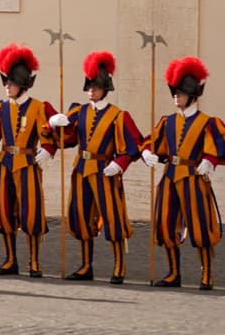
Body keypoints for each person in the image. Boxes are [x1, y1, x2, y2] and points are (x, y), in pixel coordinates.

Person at [139, 56, 225, 289]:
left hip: (193, 177)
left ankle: (207, 274)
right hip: (170, 176)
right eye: (174, 91)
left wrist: (210, 160)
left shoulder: (208, 122)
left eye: (180, 92)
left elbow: (222, 145)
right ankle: (173, 273)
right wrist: (147, 154)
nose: (176, 96)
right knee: (166, 224)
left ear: (192, 95)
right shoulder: (166, 121)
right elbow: (152, 144)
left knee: (201, 227)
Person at [50, 50, 143, 284]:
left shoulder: (118, 116)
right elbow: (67, 140)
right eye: (89, 86)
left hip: (105, 169)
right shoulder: (79, 111)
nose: (91, 90)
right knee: (80, 217)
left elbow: (133, 146)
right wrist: (55, 125)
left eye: (95, 86)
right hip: (81, 168)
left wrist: (119, 165)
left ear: (105, 88)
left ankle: (119, 266)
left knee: (113, 218)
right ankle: (85, 265)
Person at [0, 44, 58, 278]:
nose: (6, 86)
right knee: (2, 211)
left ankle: (34, 261)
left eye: (10, 82)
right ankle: (10, 259)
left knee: (31, 213)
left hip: (28, 164)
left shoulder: (38, 107)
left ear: (21, 84)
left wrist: (49, 149)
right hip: (5, 163)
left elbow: (51, 132)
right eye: (6, 82)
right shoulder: (0, 107)